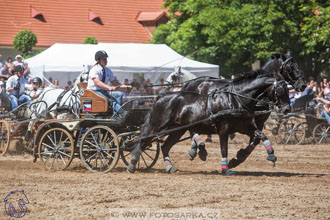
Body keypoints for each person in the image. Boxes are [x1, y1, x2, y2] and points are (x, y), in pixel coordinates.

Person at [87, 50, 131, 118]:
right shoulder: (94, 70)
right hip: (93, 92)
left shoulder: (108, 70)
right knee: (109, 98)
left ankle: (115, 114)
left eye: (106, 59)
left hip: (103, 91)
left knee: (119, 94)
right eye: (103, 59)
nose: (106, 61)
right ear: (98, 60)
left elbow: (114, 82)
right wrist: (109, 87)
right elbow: (98, 82)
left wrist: (124, 86)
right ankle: (122, 113)